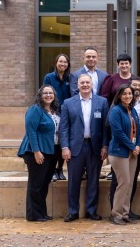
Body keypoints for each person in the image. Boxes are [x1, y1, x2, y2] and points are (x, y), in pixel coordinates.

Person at [59, 74, 109, 222]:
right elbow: (63, 128)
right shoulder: (68, 103)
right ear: (77, 85)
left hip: (95, 147)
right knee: (73, 181)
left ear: (92, 84)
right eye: (82, 83)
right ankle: (73, 211)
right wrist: (65, 147)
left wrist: (105, 145)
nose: (85, 85)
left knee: (93, 180)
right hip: (75, 147)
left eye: (88, 82)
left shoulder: (102, 102)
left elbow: (105, 127)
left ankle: (91, 211)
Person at [18, 86, 60, 221]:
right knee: (36, 185)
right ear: (40, 95)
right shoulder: (35, 109)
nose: (48, 95)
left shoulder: (54, 111)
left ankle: (41, 213)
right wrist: (36, 151)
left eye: (51, 93)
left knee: (44, 183)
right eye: (45, 93)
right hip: (36, 151)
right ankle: (33, 215)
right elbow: (31, 131)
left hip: (50, 151)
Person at [108, 77, 140, 221]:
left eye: (130, 94)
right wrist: (132, 146)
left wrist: (138, 146)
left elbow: (138, 130)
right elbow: (118, 133)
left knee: (129, 184)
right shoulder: (115, 111)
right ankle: (116, 214)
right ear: (119, 95)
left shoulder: (132, 110)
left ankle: (125, 214)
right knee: (123, 183)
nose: (128, 96)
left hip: (133, 152)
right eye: (124, 94)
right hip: (119, 152)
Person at [43, 53, 71, 182]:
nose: (63, 64)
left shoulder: (69, 78)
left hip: (65, 114)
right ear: (56, 63)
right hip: (54, 113)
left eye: (65, 62)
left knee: (62, 142)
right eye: (61, 62)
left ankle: (60, 168)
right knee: (54, 142)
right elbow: (45, 93)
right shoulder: (49, 77)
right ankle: (53, 169)